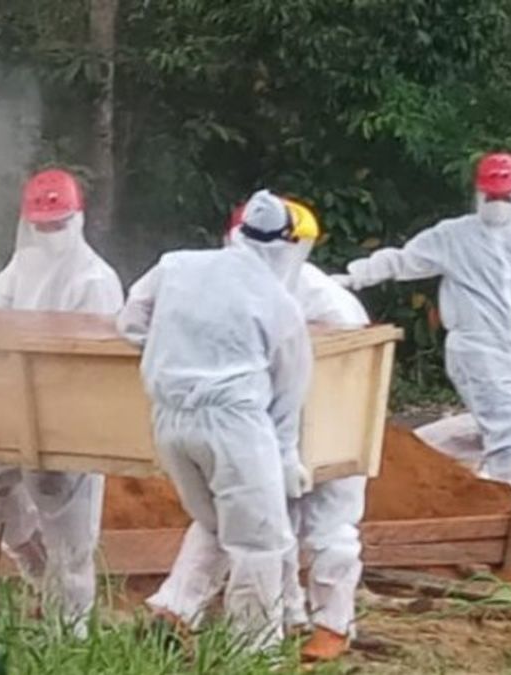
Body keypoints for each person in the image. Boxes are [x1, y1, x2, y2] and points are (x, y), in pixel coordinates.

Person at [142, 201, 367, 661]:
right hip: (248, 428)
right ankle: (185, 614)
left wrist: (291, 453)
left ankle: (331, 623)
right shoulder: (212, 286)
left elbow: (342, 368)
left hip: (324, 425)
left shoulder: (325, 300)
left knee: (328, 527)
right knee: (236, 527)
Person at [117, 189, 316, 650]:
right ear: (284, 244)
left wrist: (174, 354)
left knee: (215, 524)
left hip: (169, 421)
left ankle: (175, 610)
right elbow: (288, 393)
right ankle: (253, 650)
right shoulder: (278, 300)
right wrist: (286, 458)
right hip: (235, 428)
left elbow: (130, 321)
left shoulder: (176, 265)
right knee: (259, 543)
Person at [0, 168, 124, 636]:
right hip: (20, 411)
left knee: (72, 540)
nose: (49, 235)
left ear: (77, 220)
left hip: (72, 421)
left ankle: (72, 642)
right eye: (41, 226)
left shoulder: (94, 280)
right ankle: (39, 575)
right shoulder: (24, 265)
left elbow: (101, 361)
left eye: (57, 225)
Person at [334, 152, 511, 488]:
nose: (498, 203)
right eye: (492, 196)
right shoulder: (455, 237)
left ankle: (414, 461)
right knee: (508, 429)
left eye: (505, 196)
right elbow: (404, 261)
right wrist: (354, 277)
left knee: (496, 424)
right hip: (479, 348)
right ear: (478, 193)